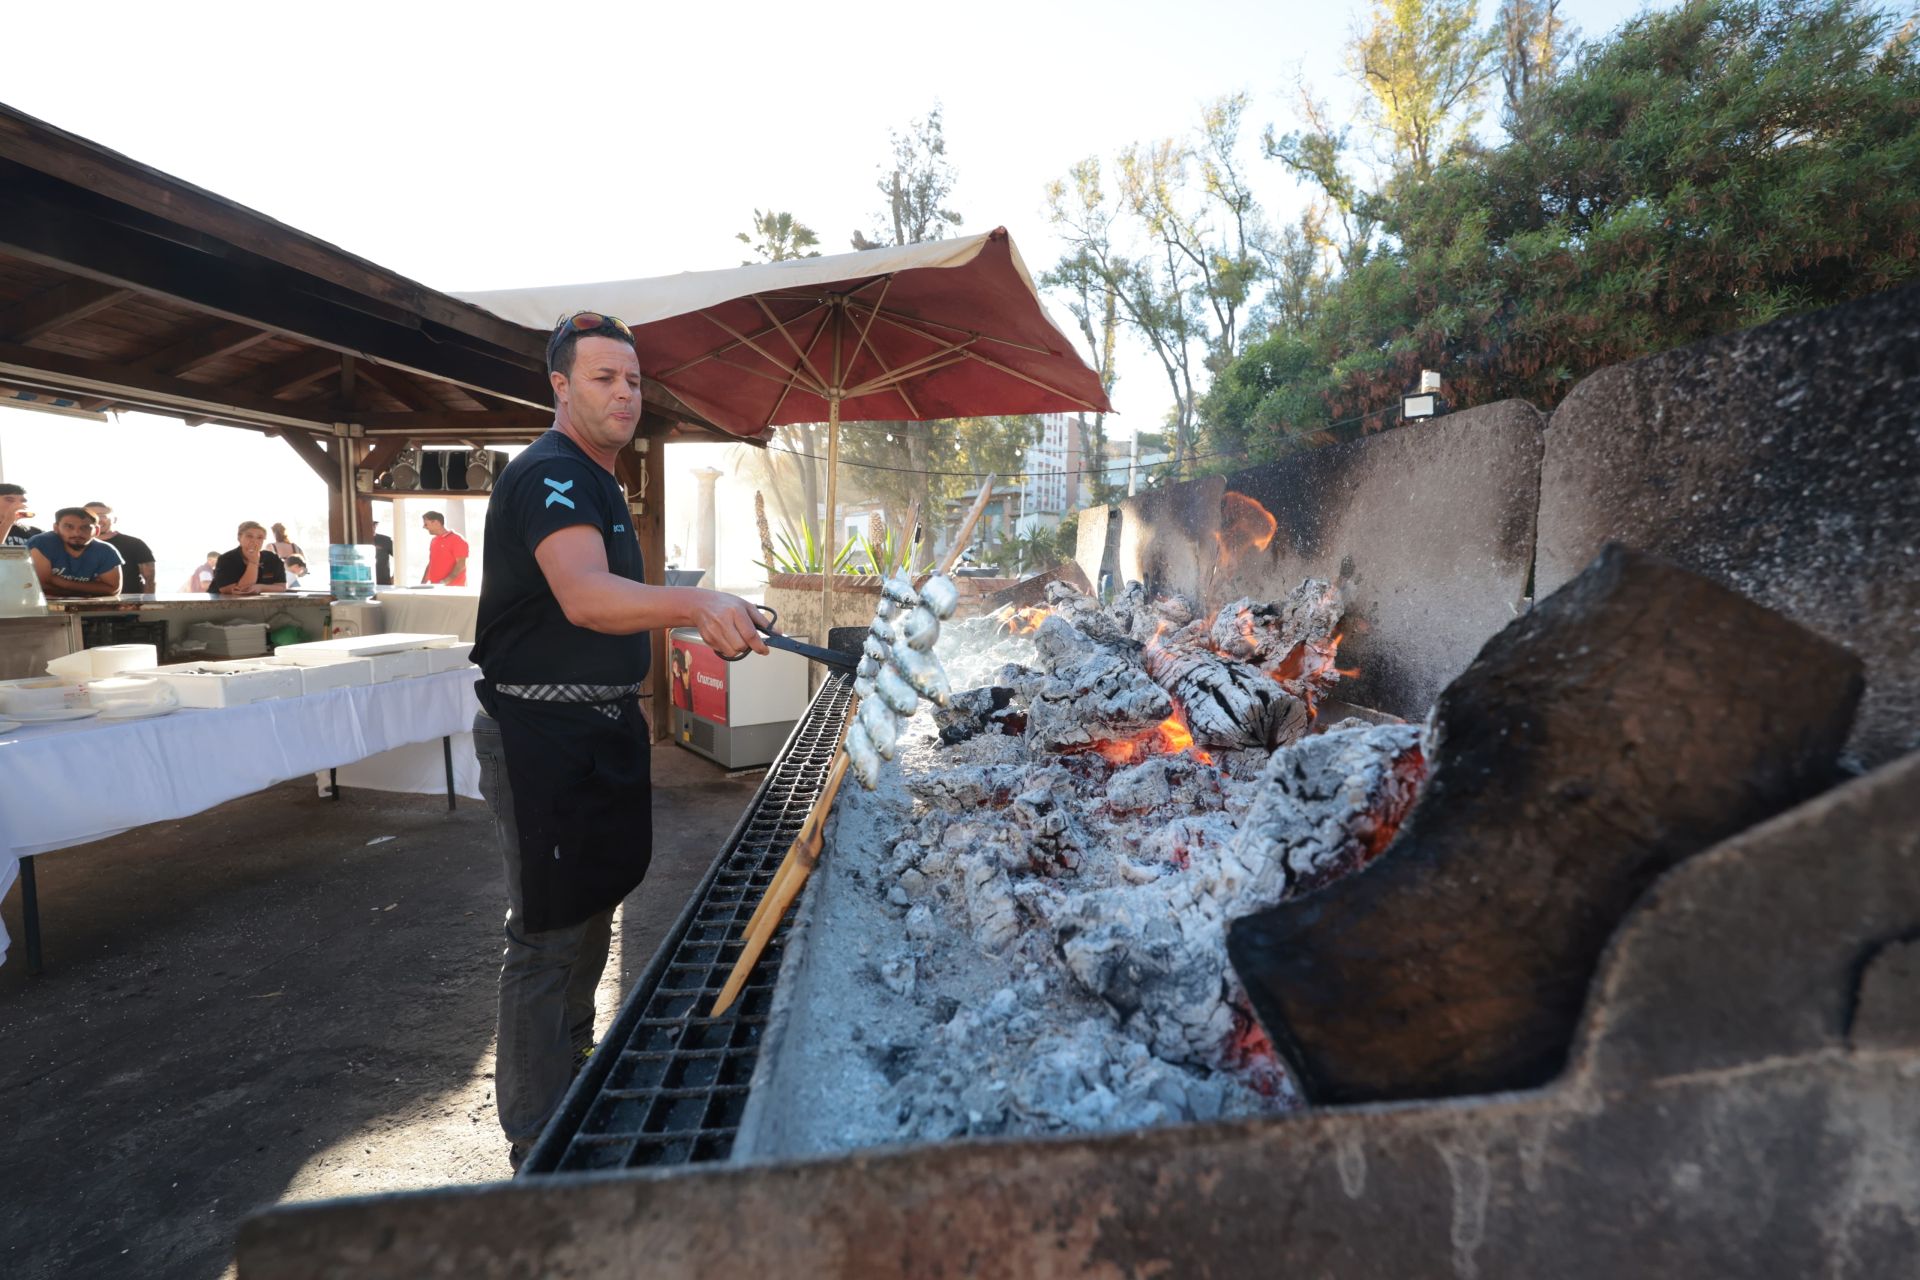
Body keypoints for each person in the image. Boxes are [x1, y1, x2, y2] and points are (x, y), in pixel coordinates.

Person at [471, 310, 770, 1170]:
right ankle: (536, 1130)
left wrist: (627, 689)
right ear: (560, 387)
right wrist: (696, 604)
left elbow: (602, 619)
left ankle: (573, 1067)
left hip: (594, 719)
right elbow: (586, 599)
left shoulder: (601, 482)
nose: (625, 394)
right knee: (545, 932)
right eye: (604, 378)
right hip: (540, 733)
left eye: (634, 381)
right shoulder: (551, 474)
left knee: (593, 906)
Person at [28, 507, 123, 597]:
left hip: (87, 610)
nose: (77, 533)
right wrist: (91, 590)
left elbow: (113, 589)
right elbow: (40, 586)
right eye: (69, 527)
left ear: (97, 530)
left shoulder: (106, 550)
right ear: (56, 528)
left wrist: (61, 582)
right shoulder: (42, 543)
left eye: (85, 527)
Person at [83, 502, 156, 596]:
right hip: (85, 605)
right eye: (91, 515)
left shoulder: (135, 544)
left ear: (115, 519)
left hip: (127, 606)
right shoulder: (73, 544)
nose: (97, 520)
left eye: (102, 516)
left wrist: (147, 605)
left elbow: (150, 580)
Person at [209, 521, 289, 595]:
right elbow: (241, 590)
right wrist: (254, 562)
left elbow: (281, 587)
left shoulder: (272, 558)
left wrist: (260, 587)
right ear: (239, 538)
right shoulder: (226, 559)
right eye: (249, 536)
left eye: (260, 537)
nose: (254, 541)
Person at [420, 510, 469, 586]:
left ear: (436, 523)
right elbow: (431, 563)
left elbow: (461, 565)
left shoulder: (457, 540)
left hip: (453, 589)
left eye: (426, 524)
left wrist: (444, 583)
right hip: (436, 588)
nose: (424, 527)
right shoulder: (434, 540)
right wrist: (422, 584)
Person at [372, 521, 395, 586]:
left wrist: (394, 578)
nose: (373, 527)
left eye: (374, 524)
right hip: (362, 583)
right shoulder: (358, 540)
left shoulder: (385, 540)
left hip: (383, 583)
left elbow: (400, 559)